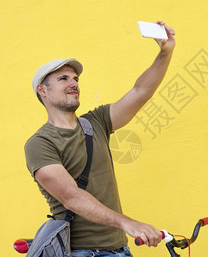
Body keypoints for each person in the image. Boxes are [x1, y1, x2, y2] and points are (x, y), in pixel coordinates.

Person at [24, 21, 176, 256]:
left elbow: (140, 91)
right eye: (63, 79)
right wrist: (128, 223)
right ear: (42, 91)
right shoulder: (40, 144)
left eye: (75, 79)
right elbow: (72, 197)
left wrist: (165, 53)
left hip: (119, 250)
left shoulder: (96, 122)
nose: (73, 83)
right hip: (81, 252)